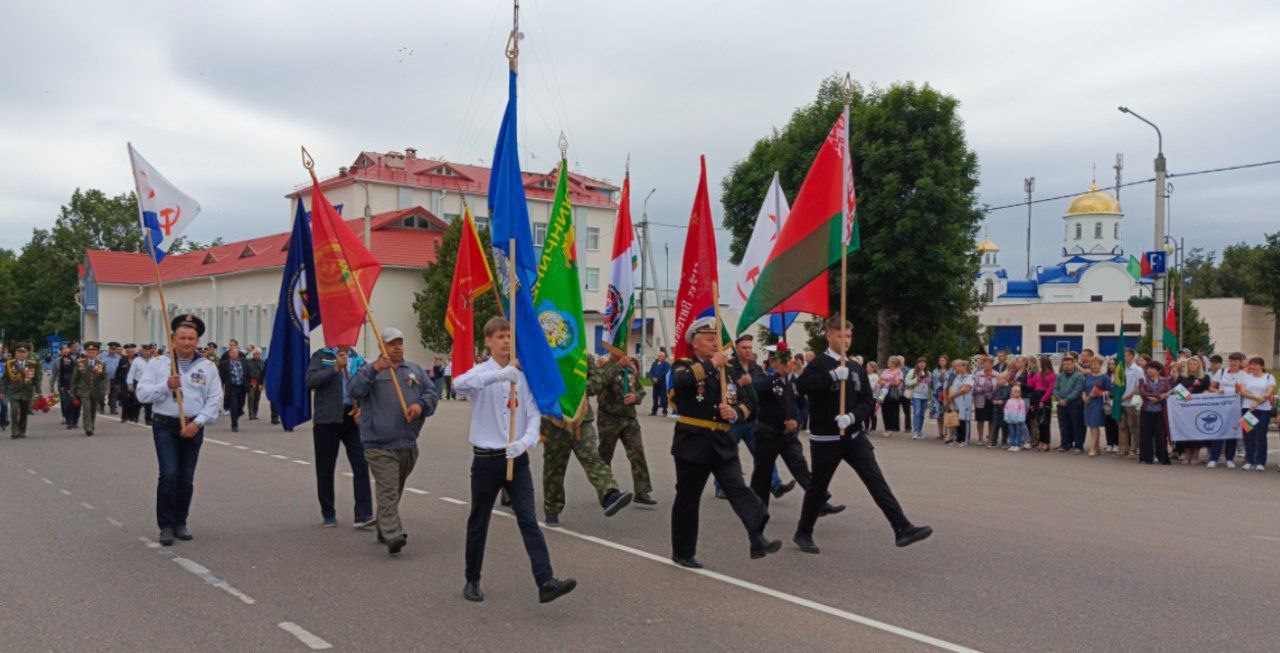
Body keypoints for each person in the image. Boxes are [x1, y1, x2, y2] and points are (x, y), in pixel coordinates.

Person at [452, 317, 577, 604]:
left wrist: (525, 441)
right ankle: (472, 579)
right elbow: (459, 384)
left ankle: (545, 581)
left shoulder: (523, 375)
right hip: (487, 460)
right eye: (499, 336)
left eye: (508, 336)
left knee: (528, 519)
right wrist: (499, 375)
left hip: (516, 459)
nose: (506, 341)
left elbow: (533, 415)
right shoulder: (481, 373)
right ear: (487, 341)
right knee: (479, 521)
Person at [793, 317, 932, 554]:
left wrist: (852, 417)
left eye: (848, 336)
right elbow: (802, 387)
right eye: (840, 336)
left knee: (875, 479)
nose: (845, 341)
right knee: (818, 487)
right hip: (826, 439)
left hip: (854, 437)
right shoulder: (819, 364)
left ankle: (902, 527)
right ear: (829, 336)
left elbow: (868, 400)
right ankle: (803, 532)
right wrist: (832, 377)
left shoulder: (856, 367)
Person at [668, 316, 781, 568]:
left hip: (722, 440)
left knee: (739, 489)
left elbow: (747, 401)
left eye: (716, 339)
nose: (714, 343)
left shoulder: (728, 371)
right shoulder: (683, 365)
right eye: (708, 339)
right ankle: (683, 552)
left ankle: (757, 537)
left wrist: (736, 413)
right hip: (693, 441)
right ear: (695, 344)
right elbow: (682, 382)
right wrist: (711, 365)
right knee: (688, 498)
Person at [348, 328, 439, 556]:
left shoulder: (414, 369)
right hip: (378, 444)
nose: (397, 347)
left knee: (394, 490)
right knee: (388, 489)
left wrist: (420, 406)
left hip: (407, 443)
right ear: (381, 346)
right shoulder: (370, 370)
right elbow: (354, 389)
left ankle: (383, 527)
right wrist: (375, 368)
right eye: (391, 343)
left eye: (400, 342)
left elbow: (431, 393)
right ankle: (393, 535)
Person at [136, 315, 224, 546]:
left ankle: (180, 522)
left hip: (194, 426)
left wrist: (199, 422)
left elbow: (215, 399)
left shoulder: (207, 367)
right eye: (182, 338)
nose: (187, 342)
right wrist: (165, 386)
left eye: (191, 338)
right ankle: (165, 525)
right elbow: (142, 394)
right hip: (165, 424)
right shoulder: (158, 363)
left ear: (197, 340)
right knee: (169, 474)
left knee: (186, 477)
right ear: (173, 339)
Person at [749, 342, 844, 516]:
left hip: (788, 436)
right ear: (772, 363)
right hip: (767, 434)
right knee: (762, 474)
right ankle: (758, 512)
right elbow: (756, 390)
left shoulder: (795, 382)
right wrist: (778, 376)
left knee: (800, 467)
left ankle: (819, 502)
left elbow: (804, 405)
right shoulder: (765, 378)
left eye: (788, 359)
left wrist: (798, 420)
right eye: (781, 360)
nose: (787, 363)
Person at [540, 355, 635, 527]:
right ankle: (552, 508)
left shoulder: (582, 355)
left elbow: (596, 383)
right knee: (554, 465)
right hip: (555, 419)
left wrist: (579, 387)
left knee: (592, 457)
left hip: (581, 417)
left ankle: (610, 495)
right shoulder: (546, 353)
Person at [305, 345, 375, 529]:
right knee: (325, 468)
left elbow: (367, 389)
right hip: (327, 419)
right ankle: (328, 513)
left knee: (361, 464)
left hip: (352, 418)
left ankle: (363, 514)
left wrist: (363, 410)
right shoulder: (322, 355)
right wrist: (335, 368)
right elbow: (310, 380)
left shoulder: (358, 359)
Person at [596, 351, 656, 503]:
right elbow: (600, 382)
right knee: (605, 456)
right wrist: (618, 366)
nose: (622, 351)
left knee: (637, 453)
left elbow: (640, 390)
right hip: (609, 419)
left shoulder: (630, 369)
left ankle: (641, 491)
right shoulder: (604, 366)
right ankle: (607, 491)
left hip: (629, 419)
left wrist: (636, 397)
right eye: (618, 347)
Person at [1207, 352, 1247, 468]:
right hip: (1221, 406)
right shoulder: (1222, 372)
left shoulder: (1243, 375)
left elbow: (1244, 390)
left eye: (1235, 361)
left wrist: (1237, 391)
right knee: (1218, 432)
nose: (1233, 363)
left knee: (1232, 433)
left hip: (1236, 408)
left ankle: (1229, 459)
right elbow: (1211, 387)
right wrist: (1217, 391)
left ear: (1240, 362)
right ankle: (1213, 458)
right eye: (1231, 360)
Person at [1170, 356, 1212, 465]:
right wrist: (1178, 394)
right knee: (1185, 431)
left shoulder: (1205, 377)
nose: (1192, 366)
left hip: (1198, 409)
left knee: (1196, 432)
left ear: (1199, 365)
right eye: (1190, 364)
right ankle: (1187, 455)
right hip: (1184, 410)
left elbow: (1208, 391)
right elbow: (1176, 389)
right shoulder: (1182, 377)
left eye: (1195, 364)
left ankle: (1195, 456)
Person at [1237, 356, 1276, 471]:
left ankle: (1260, 462)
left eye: (1255, 364)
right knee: (1248, 435)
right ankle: (1249, 461)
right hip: (1247, 409)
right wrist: (1255, 398)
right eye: (1251, 364)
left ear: (1262, 366)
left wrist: (1256, 403)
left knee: (1261, 436)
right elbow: (1243, 392)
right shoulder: (1246, 377)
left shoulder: (1269, 377)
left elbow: (1268, 393)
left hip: (1263, 410)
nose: (1252, 367)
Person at [2, 344, 42, 438]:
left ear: (27, 353)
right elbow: (4, 379)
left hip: (26, 392)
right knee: (14, 411)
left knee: (24, 412)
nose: (21, 354)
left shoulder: (33, 364)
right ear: (15, 353)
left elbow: (36, 379)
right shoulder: (10, 363)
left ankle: (22, 431)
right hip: (14, 392)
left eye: (23, 352)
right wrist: (2, 392)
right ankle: (15, 432)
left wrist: (39, 392)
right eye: (19, 352)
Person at [70, 341, 109, 437]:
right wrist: (73, 392)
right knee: (87, 409)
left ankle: (91, 424)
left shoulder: (100, 364)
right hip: (83, 391)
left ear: (97, 353)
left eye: (93, 351)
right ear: (86, 352)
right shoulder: (81, 363)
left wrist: (106, 389)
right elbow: (75, 378)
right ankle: (88, 428)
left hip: (95, 390)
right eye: (89, 351)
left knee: (93, 409)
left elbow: (105, 377)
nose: (91, 353)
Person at [1136, 361, 1172, 465]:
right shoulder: (1143, 380)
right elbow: (1142, 392)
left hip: (1160, 411)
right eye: (1148, 368)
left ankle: (1162, 458)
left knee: (1161, 435)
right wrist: (1159, 396)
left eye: (1152, 368)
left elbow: (1168, 391)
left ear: (1158, 370)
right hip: (1147, 410)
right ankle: (1146, 458)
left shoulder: (1165, 380)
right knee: (1145, 435)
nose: (1149, 370)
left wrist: (1160, 398)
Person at [1053, 358, 1085, 453]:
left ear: (1073, 364)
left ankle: (1078, 446)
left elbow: (1077, 390)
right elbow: (1055, 388)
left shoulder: (1079, 376)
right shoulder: (1060, 376)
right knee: (1063, 425)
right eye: (1064, 364)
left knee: (1076, 425)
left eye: (1068, 364)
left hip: (1075, 404)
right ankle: (1065, 444)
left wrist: (1066, 400)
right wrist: (1058, 398)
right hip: (1061, 404)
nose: (1066, 366)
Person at [1081, 358, 1112, 456]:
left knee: (1094, 425)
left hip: (1098, 403)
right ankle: (1097, 447)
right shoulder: (1088, 376)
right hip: (1088, 403)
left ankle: (1093, 448)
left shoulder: (1105, 377)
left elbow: (1111, 391)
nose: (1094, 366)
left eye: (1096, 364)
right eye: (1092, 364)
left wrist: (1099, 393)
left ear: (1100, 365)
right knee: (1091, 425)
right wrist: (1083, 396)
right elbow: (1083, 389)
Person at [1117, 349, 1143, 459]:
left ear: (1132, 356)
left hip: (1133, 401)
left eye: (1125, 355)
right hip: (1121, 402)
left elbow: (1139, 387)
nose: (1123, 358)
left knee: (1134, 427)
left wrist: (1126, 397)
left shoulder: (1138, 370)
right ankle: (1124, 449)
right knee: (1122, 426)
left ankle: (1134, 449)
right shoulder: (1121, 369)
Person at [217, 345, 248, 432]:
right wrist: (220, 387)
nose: (235, 354)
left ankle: (236, 417)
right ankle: (234, 424)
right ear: (229, 354)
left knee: (240, 406)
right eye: (233, 352)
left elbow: (247, 373)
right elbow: (222, 377)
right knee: (234, 406)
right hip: (231, 388)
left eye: (236, 352)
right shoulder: (224, 364)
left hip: (242, 387)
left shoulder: (243, 362)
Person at [1029, 356, 1056, 452]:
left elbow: (1050, 389)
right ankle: (1040, 440)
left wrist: (1043, 400)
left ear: (1044, 363)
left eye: (1041, 363)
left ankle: (1046, 442)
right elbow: (1030, 384)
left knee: (1045, 421)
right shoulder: (1039, 374)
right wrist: (1029, 374)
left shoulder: (1052, 375)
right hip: (1036, 396)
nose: (1039, 365)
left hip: (1045, 397)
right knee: (1039, 421)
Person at [947, 359, 974, 446]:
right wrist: (951, 396)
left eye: (959, 366)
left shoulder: (970, 377)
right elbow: (952, 387)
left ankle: (965, 440)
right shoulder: (957, 377)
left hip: (965, 402)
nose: (957, 368)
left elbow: (965, 389)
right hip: (956, 402)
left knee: (965, 420)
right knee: (958, 420)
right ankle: (958, 439)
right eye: (957, 366)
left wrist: (953, 395)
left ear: (965, 367)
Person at [972, 356, 997, 445]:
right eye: (985, 363)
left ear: (992, 364)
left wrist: (992, 390)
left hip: (992, 400)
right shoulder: (978, 374)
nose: (987, 365)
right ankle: (980, 439)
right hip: (980, 399)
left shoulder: (996, 374)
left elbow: (999, 387)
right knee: (980, 420)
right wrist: (981, 389)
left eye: (989, 363)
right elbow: (973, 387)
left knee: (991, 420)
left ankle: (990, 439)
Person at [56, 342, 81, 429]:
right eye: (73, 347)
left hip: (79, 384)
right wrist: (62, 385)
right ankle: (69, 421)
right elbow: (62, 372)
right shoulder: (65, 358)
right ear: (69, 348)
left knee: (77, 404)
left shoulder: (81, 357)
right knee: (68, 403)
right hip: (67, 384)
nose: (75, 348)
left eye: (76, 347)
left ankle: (75, 421)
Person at [877, 356, 905, 436]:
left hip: (892, 393)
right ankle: (886, 428)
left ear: (894, 363)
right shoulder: (885, 370)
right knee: (884, 410)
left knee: (891, 411)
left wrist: (886, 382)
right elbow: (879, 379)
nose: (888, 363)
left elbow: (897, 383)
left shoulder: (898, 371)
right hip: (883, 392)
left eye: (890, 362)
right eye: (888, 361)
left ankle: (891, 429)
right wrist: (885, 382)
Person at [129, 344, 155, 425]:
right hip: (139, 383)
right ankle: (135, 416)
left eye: (148, 351)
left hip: (150, 384)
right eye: (145, 351)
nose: (147, 352)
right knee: (138, 402)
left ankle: (148, 419)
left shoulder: (154, 360)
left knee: (149, 403)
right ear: (141, 351)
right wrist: (130, 384)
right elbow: (131, 373)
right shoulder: (136, 360)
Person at [906, 358, 930, 440]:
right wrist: (916, 380)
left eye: (923, 363)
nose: (922, 364)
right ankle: (916, 432)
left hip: (925, 396)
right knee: (917, 412)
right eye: (920, 362)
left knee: (922, 414)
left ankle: (919, 431)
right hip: (916, 395)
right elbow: (907, 382)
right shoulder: (913, 371)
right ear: (917, 363)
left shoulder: (928, 373)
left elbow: (929, 384)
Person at [929, 356, 952, 440]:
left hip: (947, 394)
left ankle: (947, 433)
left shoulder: (951, 370)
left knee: (947, 414)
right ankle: (940, 433)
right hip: (937, 394)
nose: (942, 362)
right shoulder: (935, 371)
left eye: (943, 360)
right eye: (940, 360)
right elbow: (932, 383)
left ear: (947, 361)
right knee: (939, 415)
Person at [115, 344, 137, 423]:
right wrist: (117, 383)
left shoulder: (138, 359)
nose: (129, 352)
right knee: (125, 400)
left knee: (134, 400)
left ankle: (132, 416)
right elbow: (118, 371)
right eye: (128, 351)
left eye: (131, 351)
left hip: (135, 382)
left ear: (134, 351)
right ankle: (124, 417)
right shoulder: (123, 360)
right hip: (125, 383)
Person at [989, 373, 1011, 448]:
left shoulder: (1009, 389)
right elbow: (991, 397)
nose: (997, 381)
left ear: (1005, 379)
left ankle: (1004, 443)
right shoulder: (998, 388)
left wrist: (1003, 402)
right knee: (995, 426)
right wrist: (993, 401)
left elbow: (1011, 400)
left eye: (999, 379)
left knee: (1005, 427)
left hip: (1005, 412)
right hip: (996, 411)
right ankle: (993, 441)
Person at [1004, 384, 1028, 452]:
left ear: (1020, 393)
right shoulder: (1009, 401)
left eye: (1018, 392)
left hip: (1018, 421)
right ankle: (1012, 445)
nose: (1016, 393)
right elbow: (1006, 409)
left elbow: (1022, 411)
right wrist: (1006, 418)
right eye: (1015, 392)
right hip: (1011, 420)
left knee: (1018, 433)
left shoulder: (1021, 401)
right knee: (1012, 433)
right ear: (1012, 393)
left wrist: (1020, 419)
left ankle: (1018, 445)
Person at [244, 348, 266, 420]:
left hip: (259, 382)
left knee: (257, 398)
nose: (258, 355)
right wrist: (247, 382)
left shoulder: (262, 362)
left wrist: (262, 384)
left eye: (259, 354)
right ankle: (251, 414)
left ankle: (255, 413)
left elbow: (263, 374)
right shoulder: (248, 361)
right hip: (250, 382)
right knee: (251, 397)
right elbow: (245, 372)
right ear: (253, 354)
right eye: (256, 353)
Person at [648, 351, 671, 416]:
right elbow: (651, 372)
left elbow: (665, 373)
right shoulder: (654, 364)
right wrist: (652, 378)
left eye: (660, 356)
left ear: (664, 357)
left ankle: (664, 411)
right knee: (655, 397)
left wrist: (658, 379)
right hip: (655, 383)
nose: (659, 357)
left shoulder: (667, 364)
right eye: (658, 356)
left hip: (662, 383)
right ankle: (654, 411)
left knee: (664, 397)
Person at [103, 342, 122, 416]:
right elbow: (99, 367)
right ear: (109, 349)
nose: (113, 351)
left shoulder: (119, 358)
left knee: (114, 395)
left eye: (114, 349)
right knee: (104, 394)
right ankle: (101, 408)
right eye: (111, 349)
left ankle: (113, 409)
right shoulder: (103, 357)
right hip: (105, 379)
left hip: (115, 379)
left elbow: (121, 369)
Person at [865, 361, 880, 435]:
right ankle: (866, 428)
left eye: (868, 367)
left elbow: (872, 387)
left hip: (872, 397)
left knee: (872, 413)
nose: (866, 368)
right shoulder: (866, 375)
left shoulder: (875, 376)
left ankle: (873, 428)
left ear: (873, 368)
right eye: (867, 366)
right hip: (865, 397)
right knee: (865, 413)